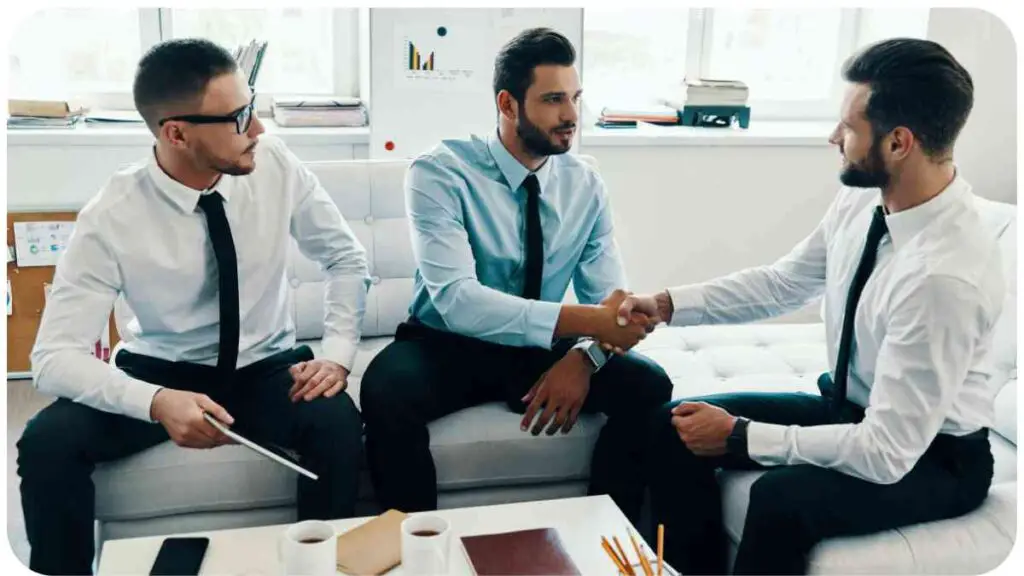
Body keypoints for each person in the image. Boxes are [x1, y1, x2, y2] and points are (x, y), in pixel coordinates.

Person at [618, 38, 1004, 575]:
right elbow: (784, 283)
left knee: (781, 499)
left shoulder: (944, 276)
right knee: (672, 426)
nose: (832, 138)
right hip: (849, 410)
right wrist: (666, 304)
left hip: (933, 458)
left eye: (847, 128)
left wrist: (739, 435)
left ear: (898, 143)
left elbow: (886, 452)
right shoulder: (864, 196)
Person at [17, 39, 370, 575]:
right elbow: (53, 357)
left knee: (337, 425)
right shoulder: (112, 215)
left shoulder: (274, 164)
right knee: (46, 443)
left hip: (267, 366)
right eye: (237, 119)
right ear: (175, 133)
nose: (258, 130)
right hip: (163, 371)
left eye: (251, 107)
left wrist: (338, 355)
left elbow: (344, 258)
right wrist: (156, 401)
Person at [359, 27, 671, 521]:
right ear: (507, 104)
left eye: (575, 98)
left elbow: (610, 304)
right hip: (446, 345)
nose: (571, 116)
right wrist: (591, 325)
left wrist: (585, 360)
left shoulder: (584, 183)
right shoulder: (438, 173)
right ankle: (415, 546)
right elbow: (458, 300)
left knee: (651, 386)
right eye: (553, 100)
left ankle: (603, 535)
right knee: (384, 389)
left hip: (540, 349)